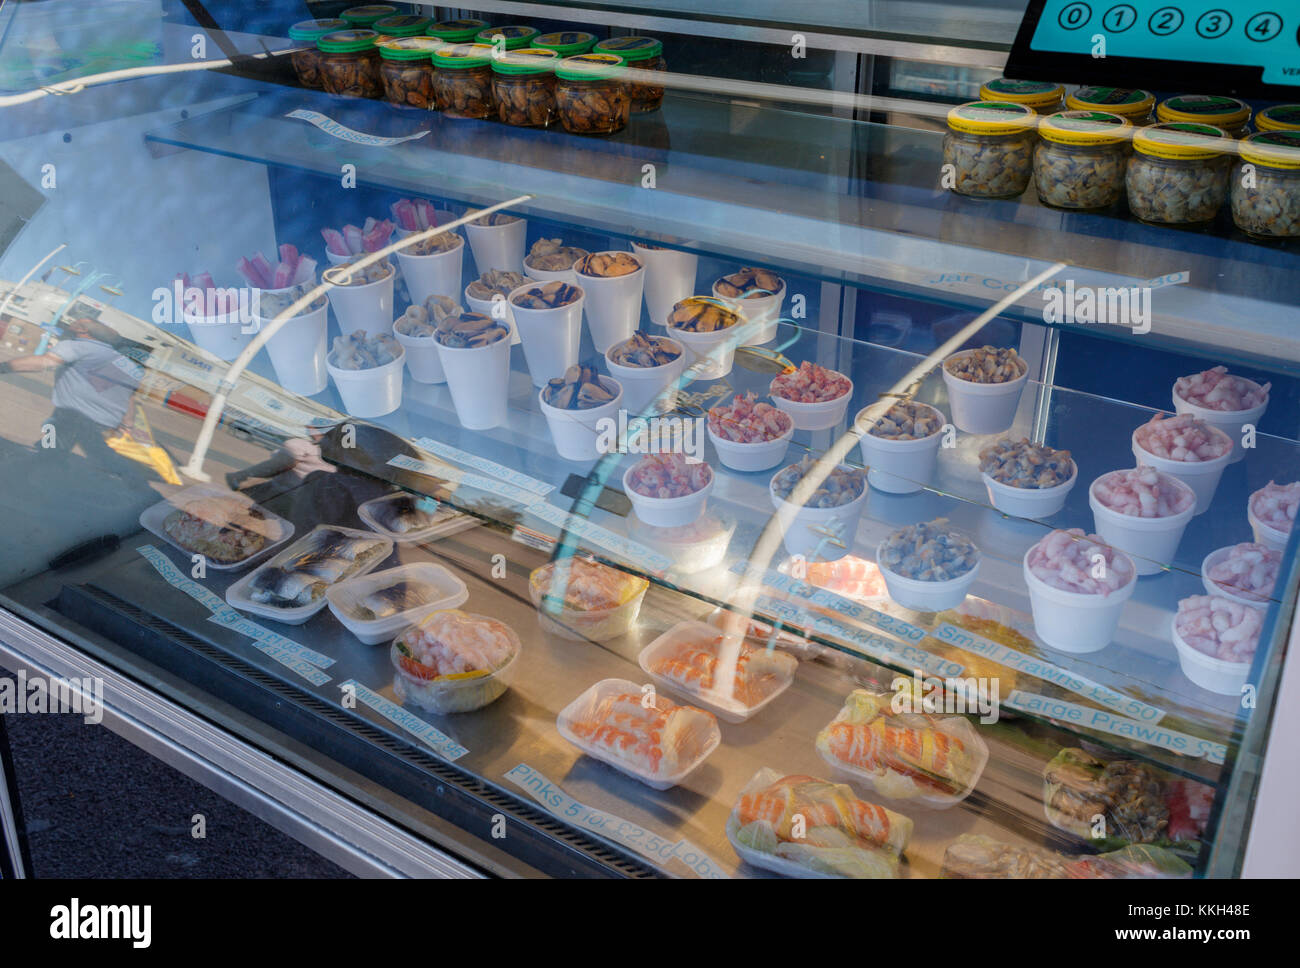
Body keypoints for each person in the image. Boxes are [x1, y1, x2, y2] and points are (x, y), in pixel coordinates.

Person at [0, 315, 149, 481]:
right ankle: (50, 468)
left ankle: (21, 475)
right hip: (104, 422)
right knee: (79, 449)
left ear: (83, 330)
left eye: (82, 320)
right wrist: (127, 424)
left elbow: (45, 362)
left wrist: (4, 367)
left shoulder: (79, 347)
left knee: (52, 444)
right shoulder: (122, 362)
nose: (74, 321)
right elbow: (129, 396)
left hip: (72, 416)